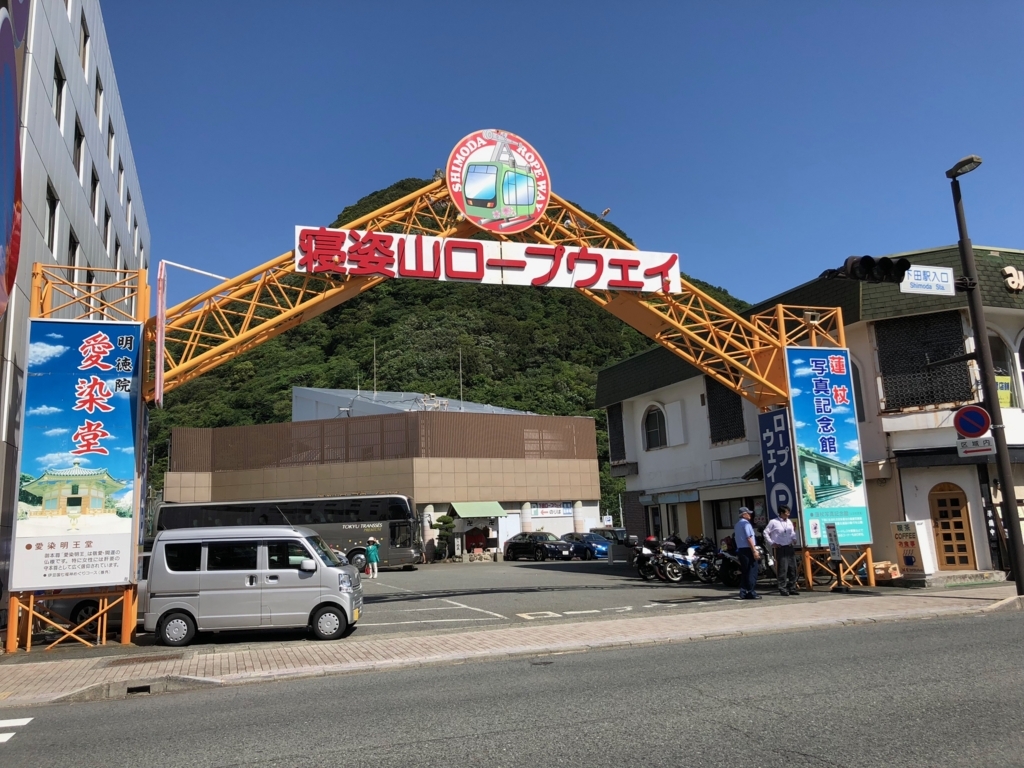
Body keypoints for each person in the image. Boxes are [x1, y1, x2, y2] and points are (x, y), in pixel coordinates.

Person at [764, 505, 800, 596]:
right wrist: (772, 543)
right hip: (780, 547)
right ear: (781, 513)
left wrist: (794, 538)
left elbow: (792, 532)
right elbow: (765, 532)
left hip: (789, 546)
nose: (788, 514)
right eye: (786, 513)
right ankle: (782, 588)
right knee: (783, 569)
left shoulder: (789, 522)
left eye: (788, 512)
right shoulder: (773, 522)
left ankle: (792, 587)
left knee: (793, 568)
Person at [733, 507, 761, 599]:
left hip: (741, 549)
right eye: (748, 513)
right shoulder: (746, 524)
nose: (750, 515)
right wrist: (754, 551)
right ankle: (751, 592)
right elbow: (749, 538)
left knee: (745, 571)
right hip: (748, 549)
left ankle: (743, 591)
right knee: (752, 570)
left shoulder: (737, 525)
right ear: (744, 514)